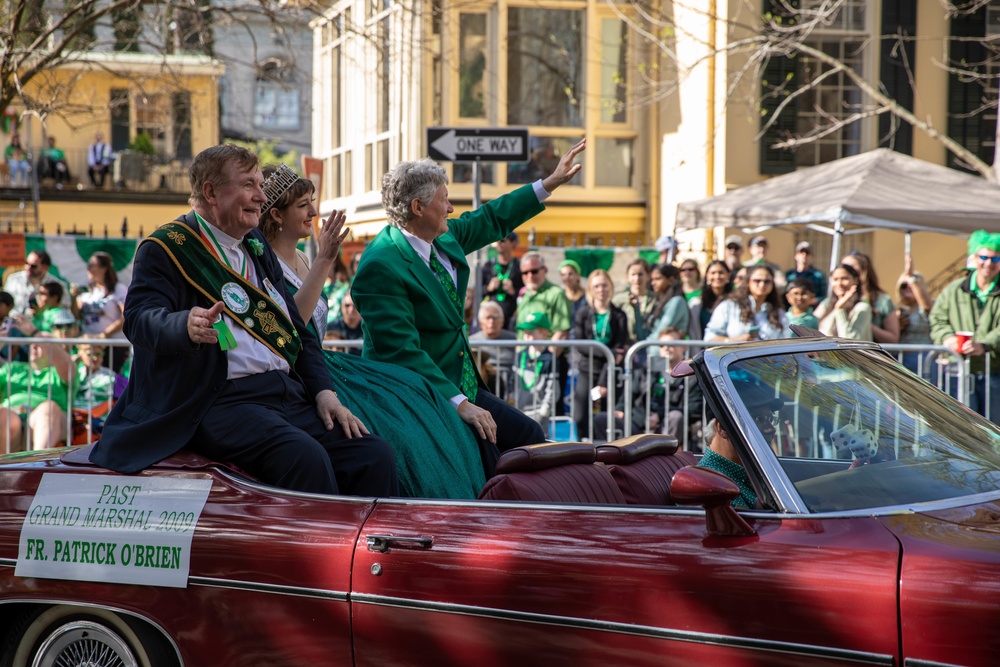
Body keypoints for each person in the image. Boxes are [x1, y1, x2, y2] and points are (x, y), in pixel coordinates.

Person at [89, 144, 398, 497]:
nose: (261, 196)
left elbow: (296, 329)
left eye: (260, 185)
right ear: (211, 192)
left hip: (285, 394)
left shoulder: (256, 243)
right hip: (218, 401)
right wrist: (184, 325)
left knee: (373, 454)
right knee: (303, 458)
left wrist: (325, 393)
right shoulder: (166, 248)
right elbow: (140, 319)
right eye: (249, 185)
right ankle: (314, 553)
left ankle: (372, 550)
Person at [352, 140, 585, 476]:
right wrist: (461, 404)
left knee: (528, 437)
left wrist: (547, 184)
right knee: (496, 452)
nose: (450, 208)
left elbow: (490, 218)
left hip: (458, 383)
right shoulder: (381, 264)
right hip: (416, 393)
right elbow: (401, 351)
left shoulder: (441, 237)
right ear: (418, 207)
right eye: (444, 200)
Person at [259, 164, 484, 498]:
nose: (313, 211)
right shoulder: (266, 261)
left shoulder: (301, 260)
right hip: (301, 374)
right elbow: (292, 329)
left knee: (414, 396)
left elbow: (486, 221)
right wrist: (325, 260)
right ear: (277, 215)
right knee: (391, 435)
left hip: (328, 365)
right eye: (303, 205)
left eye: (312, 201)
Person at [929, 229, 1000, 423]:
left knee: (993, 428)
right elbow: (937, 319)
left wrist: (984, 344)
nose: (988, 263)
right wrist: (947, 338)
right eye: (984, 257)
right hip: (959, 371)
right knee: (961, 427)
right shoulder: (954, 290)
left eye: (995, 259)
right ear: (974, 258)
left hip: (994, 370)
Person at [697, 381, 782, 509]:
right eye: (758, 419)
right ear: (722, 428)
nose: (771, 429)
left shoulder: (749, 469)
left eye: (770, 419)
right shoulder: (710, 485)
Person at [571, 269, 629, 438]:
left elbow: (618, 352)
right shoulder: (583, 313)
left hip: (609, 372)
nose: (601, 289)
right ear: (590, 289)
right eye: (596, 286)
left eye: (604, 285)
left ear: (610, 287)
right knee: (580, 416)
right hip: (587, 369)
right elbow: (581, 345)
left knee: (605, 419)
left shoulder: (619, 315)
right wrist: (607, 352)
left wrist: (604, 381)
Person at [516, 250, 573, 415]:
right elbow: (521, 333)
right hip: (526, 361)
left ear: (544, 270)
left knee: (550, 409)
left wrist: (548, 360)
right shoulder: (525, 295)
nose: (529, 276)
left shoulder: (556, 293)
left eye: (534, 271)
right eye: (525, 272)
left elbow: (562, 331)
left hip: (549, 362)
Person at [0, 340, 74, 453]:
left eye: (41, 343)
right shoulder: (12, 368)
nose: (34, 346)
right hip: (12, 415)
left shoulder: (59, 372)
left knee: (48, 408)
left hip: (49, 419)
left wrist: (34, 332)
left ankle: (37, 463)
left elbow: (67, 369)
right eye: (32, 343)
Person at [648, 327, 704, 446]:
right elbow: (636, 401)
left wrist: (659, 414)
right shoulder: (649, 371)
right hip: (646, 423)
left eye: (671, 344)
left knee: (675, 416)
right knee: (604, 419)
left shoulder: (692, 375)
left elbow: (693, 408)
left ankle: (661, 461)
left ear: (683, 347)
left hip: (673, 428)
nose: (666, 348)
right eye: (662, 345)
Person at [74, 251, 128, 372]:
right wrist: (74, 298)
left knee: (109, 380)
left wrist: (104, 335)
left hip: (112, 345)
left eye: (92, 265)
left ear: (104, 268)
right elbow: (76, 316)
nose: (88, 269)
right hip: (88, 346)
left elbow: (126, 315)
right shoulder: (87, 290)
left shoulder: (118, 289)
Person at [705, 265, 790, 342]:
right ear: (748, 282)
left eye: (767, 281)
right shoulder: (729, 306)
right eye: (757, 280)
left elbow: (786, 342)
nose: (762, 284)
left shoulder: (778, 312)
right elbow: (710, 338)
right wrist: (734, 340)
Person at [512, 311, 559, 432]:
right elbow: (512, 384)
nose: (526, 334)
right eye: (525, 331)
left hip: (539, 413)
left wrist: (544, 412)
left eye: (531, 331)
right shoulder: (520, 355)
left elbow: (552, 390)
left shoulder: (550, 359)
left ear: (544, 333)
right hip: (518, 411)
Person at [841, 251, 899, 344]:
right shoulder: (835, 299)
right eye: (843, 266)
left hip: (868, 355)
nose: (844, 270)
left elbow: (893, 338)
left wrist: (866, 323)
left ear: (864, 271)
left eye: (850, 267)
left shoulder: (882, 300)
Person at [895, 254, 935, 376]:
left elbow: (927, 308)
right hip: (901, 360)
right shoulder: (899, 309)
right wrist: (898, 327)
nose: (908, 287)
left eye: (912, 284)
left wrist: (912, 277)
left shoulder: (929, 303)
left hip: (923, 359)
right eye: (904, 285)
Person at [469, 300, 516, 400]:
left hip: (512, 383)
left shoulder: (514, 340)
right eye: (488, 318)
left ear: (502, 321)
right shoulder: (472, 342)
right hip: (486, 383)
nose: (492, 321)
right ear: (481, 321)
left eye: (495, 317)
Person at [814, 264, 873, 340]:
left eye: (844, 278)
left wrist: (840, 309)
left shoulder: (862, 308)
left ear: (855, 280)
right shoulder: (828, 305)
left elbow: (850, 341)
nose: (839, 284)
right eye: (835, 279)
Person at [3, 250, 71, 315]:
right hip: (15, 323)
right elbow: (4, 303)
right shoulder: (14, 279)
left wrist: (43, 312)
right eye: (26, 263)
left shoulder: (58, 285)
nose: (28, 268)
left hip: (44, 325)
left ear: (45, 267)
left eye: (33, 266)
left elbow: (64, 309)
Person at [480, 231, 523, 330]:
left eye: (503, 240)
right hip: (491, 321)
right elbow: (477, 292)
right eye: (497, 241)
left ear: (513, 243)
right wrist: (488, 288)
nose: (499, 243)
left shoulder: (519, 266)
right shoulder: (489, 265)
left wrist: (513, 291)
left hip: (512, 319)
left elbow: (526, 292)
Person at [611, 258, 657, 342]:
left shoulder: (655, 299)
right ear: (628, 277)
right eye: (633, 274)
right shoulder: (619, 300)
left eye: (640, 274)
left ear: (648, 276)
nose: (637, 278)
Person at [689, 260, 732, 340]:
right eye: (713, 273)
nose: (717, 276)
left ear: (728, 275)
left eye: (721, 273)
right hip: (701, 349)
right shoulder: (697, 303)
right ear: (707, 276)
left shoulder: (735, 302)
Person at [645, 263, 690, 341]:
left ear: (670, 280)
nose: (653, 283)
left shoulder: (677, 302)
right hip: (651, 349)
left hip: (668, 351)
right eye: (652, 279)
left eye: (657, 279)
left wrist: (642, 346)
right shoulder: (658, 300)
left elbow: (661, 331)